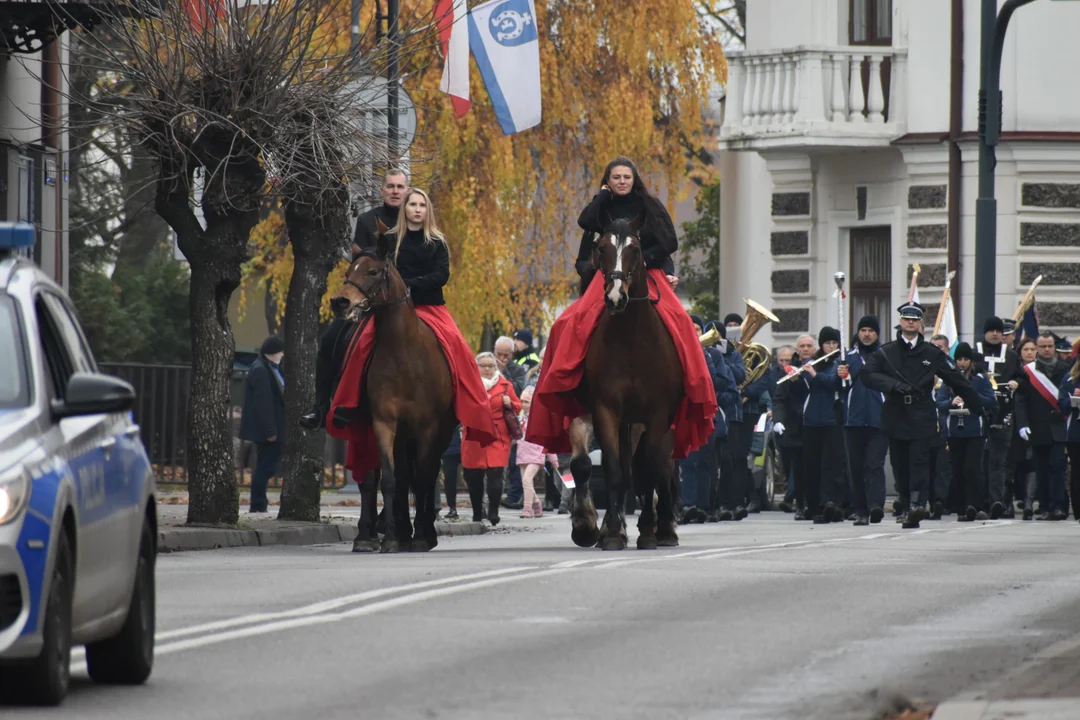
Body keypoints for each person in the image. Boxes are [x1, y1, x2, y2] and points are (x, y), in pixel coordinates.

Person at [528, 157, 716, 465]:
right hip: (606, 276)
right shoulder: (600, 209)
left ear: (634, 178)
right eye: (615, 177)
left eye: (626, 176)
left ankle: (693, 381)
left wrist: (642, 262)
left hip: (645, 272)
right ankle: (567, 382)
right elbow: (585, 226)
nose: (622, 181)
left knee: (680, 319)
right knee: (568, 321)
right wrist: (601, 198)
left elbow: (668, 241)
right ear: (608, 180)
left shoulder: (650, 206)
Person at [325, 188, 498, 501]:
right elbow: (374, 266)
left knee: (457, 346)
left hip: (429, 306)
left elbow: (441, 275)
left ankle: (468, 404)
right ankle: (347, 402)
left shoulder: (437, 241)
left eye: (422, 205)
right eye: (412, 204)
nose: (417, 209)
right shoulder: (390, 241)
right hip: (390, 309)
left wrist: (408, 287)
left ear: (427, 210)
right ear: (404, 209)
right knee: (360, 344)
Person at [301, 170, 408, 429]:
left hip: (407, 298)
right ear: (382, 190)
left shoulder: (415, 219)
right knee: (329, 342)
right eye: (390, 186)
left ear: (407, 191)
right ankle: (321, 407)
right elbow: (359, 257)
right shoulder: (367, 219)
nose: (395, 191)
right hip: (370, 298)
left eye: (400, 187)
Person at [861, 302, 980, 529]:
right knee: (900, 464)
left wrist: (979, 407)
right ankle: (905, 504)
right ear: (900, 322)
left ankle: (917, 505)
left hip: (922, 413)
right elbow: (868, 375)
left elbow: (957, 380)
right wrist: (893, 385)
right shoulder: (887, 351)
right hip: (896, 412)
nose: (910, 322)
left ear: (920, 324)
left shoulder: (931, 353)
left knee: (919, 462)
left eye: (914, 319)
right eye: (906, 318)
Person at [935, 343, 997, 521]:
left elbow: (991, 401)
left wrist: (972, 398)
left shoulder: (980, 379)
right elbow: (940, 403)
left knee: (972, 468)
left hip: (975, 431)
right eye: (959, 359)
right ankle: (961, 507)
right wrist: (951, 402)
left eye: (966, 359)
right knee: (958, 468)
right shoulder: (949, 380)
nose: (962, 363)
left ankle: (975, 504)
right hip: (955, 431)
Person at [790, 327, 845, 524]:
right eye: (828, 343)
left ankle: (831, 504)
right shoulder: (812, 363)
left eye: (834, 343)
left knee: (831, 465)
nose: (831, 346)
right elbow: (802, 394)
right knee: (811, 465)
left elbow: (835, 383)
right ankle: (812, 507)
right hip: (811, 421)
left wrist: (814, 374)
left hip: (831, 420)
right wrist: (795, 380)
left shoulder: (839, 362)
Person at [1014, 331, 1071, 521]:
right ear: (1037, 349)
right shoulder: (1029, 371)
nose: (1047, 349)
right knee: (1042, 469)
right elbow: (1021, 399)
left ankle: (1058, 506)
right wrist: (1022, 424)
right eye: (1043, 346)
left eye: (1050, 346)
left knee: (1057, 467)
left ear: (1054, 347)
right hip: (1038, 427)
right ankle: (1046, 507)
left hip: (1060, 427)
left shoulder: (1066, 369)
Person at [462, 352, 522, 526]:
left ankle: (494, 511)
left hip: (498, 435)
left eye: (491, 366)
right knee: (474, 475)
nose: (487, 369)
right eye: (483, 366)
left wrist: (510, 403)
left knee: (496, 472)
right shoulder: (469, 385)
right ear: (476, 367)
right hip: (475, 435)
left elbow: (518, 406)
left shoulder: (505, 385)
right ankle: (477, 513)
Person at [840, 316, 887, 525]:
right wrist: (840, 374)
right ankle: (860, 510)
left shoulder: (885, 356)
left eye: (871, 330)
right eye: (863, 330)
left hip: (879, 420)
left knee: (874, 464)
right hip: (854, 420)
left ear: (877, 334)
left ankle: (876, 505)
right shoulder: (847, 357)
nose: (867, 334)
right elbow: (838, 387)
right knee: (856, 467)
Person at [975, 316, 1024, 515]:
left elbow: (1022, 376)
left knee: (999, 461)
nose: (995, 334)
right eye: (991, 331)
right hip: (978, 414)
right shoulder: (974, 352)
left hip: (1003, 414)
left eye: (998, 331)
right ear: (985, 332)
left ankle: (997, 501)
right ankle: (979, 502)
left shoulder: (1011, 355)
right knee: (978, 461)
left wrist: (1016, 382)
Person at [238, 336, 286, 513]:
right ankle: (258, 504)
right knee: (265, 467)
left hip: (273, 427)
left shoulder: (269, 368)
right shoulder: (261, 370)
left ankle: (259, 502)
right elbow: (263, 403)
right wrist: (270, 430)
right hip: (269, 430)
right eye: (281, 351)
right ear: (273, 353)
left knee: (266, 465)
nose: (283, 354)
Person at [773, 335, 814, 519]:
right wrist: (778, 420)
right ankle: (800, 504)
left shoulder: (818, 366)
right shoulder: (789, 370)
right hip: (795, 426)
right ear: (797, 349)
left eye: (809, 346)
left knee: (812, 466)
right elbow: (780, 398)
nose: (805, 349)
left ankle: (814, 503)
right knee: (797, 468)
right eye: (802, 346)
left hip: (815, 423)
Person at [515, 387, 558, 518]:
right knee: (525, 481)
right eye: (522, 401)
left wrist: (553, 458)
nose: (523, 405)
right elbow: (516, 436)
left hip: (536, 453)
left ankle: (527, 508)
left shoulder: (540, 418)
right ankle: (537, 504)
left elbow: (547, 439)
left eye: (527, 402)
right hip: (522, 453)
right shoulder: (520, 418)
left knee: (527, 480)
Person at [1057, 356, 1080, 523]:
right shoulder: (1070, 379)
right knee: (1077, 472)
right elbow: (1062, 404)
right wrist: (1073, 399)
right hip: (1075, 433)